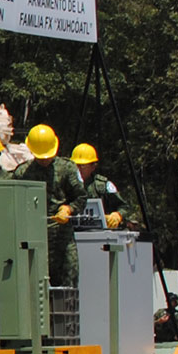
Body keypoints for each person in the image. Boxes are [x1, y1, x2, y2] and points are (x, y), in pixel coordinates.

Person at [17, 123, 87, 287]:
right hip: (35, 241)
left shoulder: (67, 169)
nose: (44, 160)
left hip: (62, 240)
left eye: (47, 156)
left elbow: (81, 196)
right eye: (40, 157)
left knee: (68, 287)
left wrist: (69, 208)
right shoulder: (22, 173)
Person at [72, 142, 129, 228]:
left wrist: (117, 215)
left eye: (82, 165)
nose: (78, 169)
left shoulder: (103, 185)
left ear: (93, 167)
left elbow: (124, 207)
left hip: (101, 235)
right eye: (75, 165)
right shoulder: (66, 185)